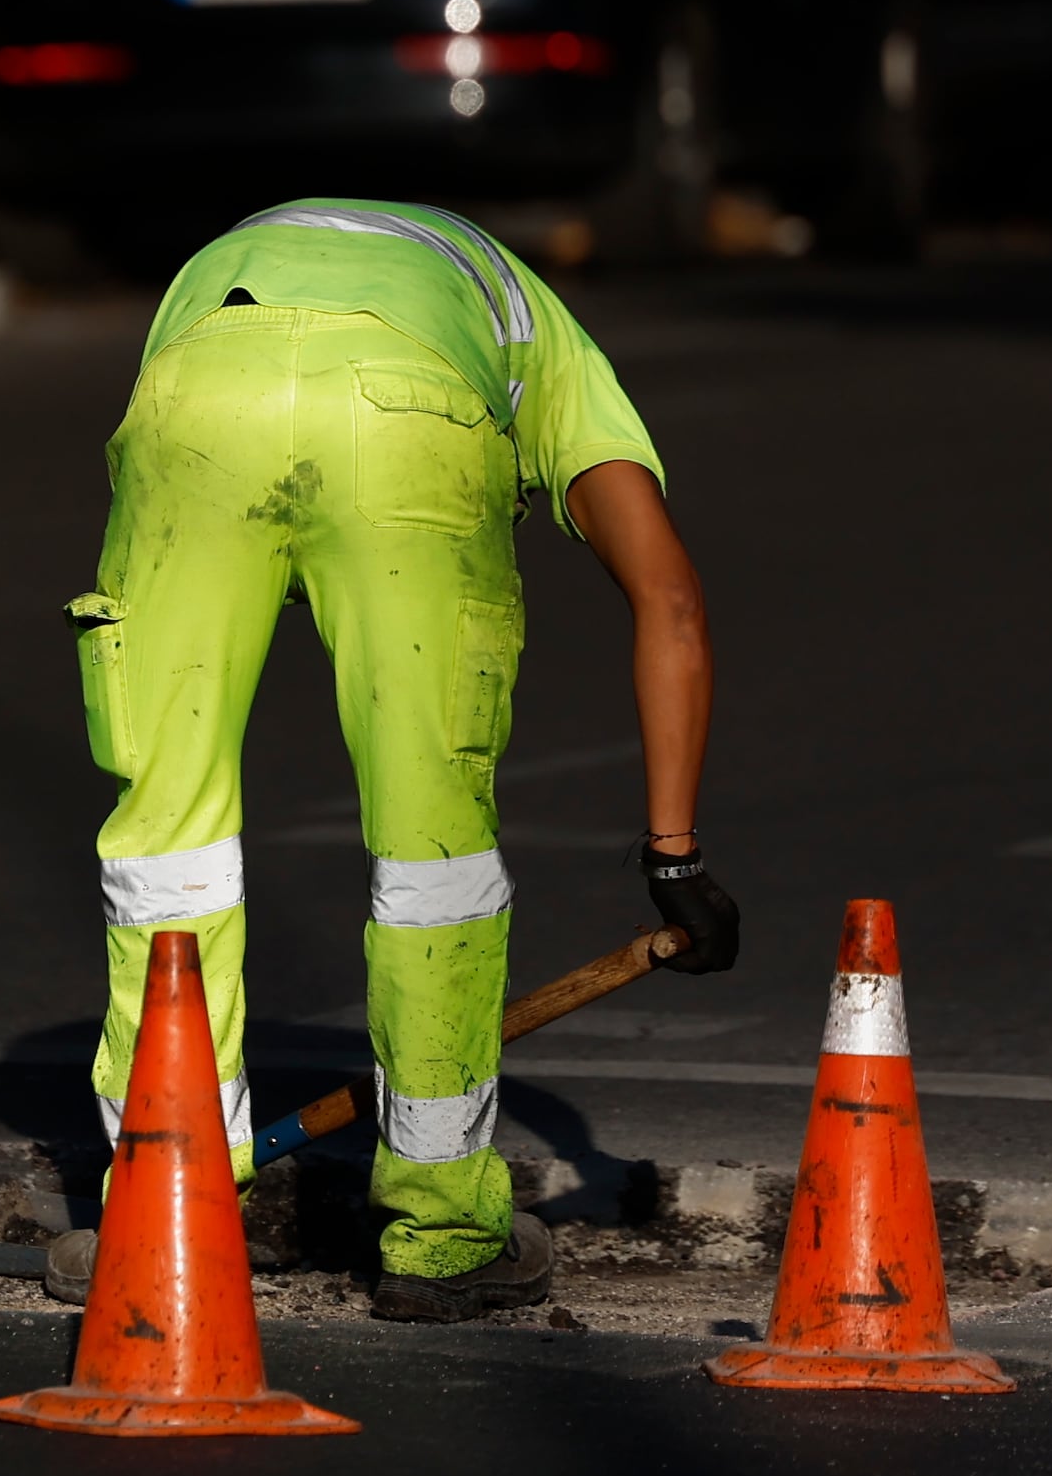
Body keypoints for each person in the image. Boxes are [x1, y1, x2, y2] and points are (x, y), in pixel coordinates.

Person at [56, 196, 737, 1320]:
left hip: (195, 389)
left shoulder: (237, 255)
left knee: (165, 836)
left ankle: (163, 1200)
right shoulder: (544, 346)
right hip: (407, 418)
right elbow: (666, 596)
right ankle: (441, 1229)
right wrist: (674, 857)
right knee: (432, 856)